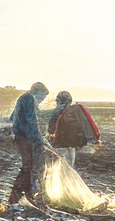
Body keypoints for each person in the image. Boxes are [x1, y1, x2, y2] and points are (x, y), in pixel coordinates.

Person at [6, 82, 52, 210]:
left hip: (22, 136)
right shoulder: (30, 99)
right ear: (38, 92)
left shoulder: (24, 98)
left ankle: (24, 195)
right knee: (29, 167)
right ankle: (18, 197)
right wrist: (38, 140)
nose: (42, 100)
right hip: (26, 138)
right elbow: (31, 121)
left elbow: (12, 117)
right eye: (42, 97)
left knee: (28, 167)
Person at [47, 90, 102, 167]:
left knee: (61, 165)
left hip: (60, 143)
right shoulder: (79, 108)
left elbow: (51, 127)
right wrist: (97, 136)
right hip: (73, 143)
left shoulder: (57, 111)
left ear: (58, 100)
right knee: (69, 165)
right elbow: (90, 122)